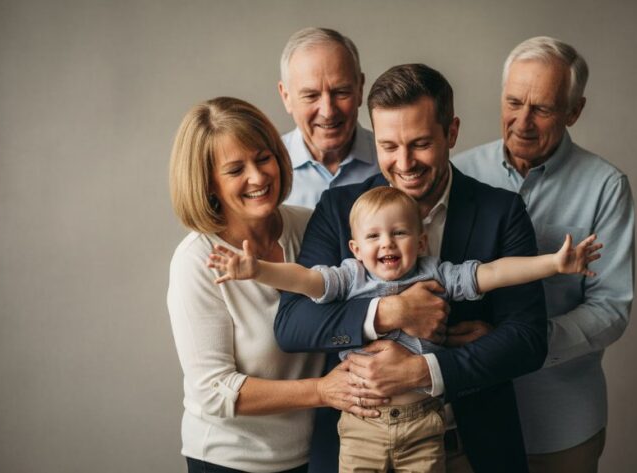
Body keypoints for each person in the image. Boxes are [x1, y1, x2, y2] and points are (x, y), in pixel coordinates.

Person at [208, 186, 601, 472]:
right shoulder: (350, 277)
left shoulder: (437, 273)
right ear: (356, 248)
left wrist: (552, 264)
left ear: (421, 240)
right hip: (362, 424)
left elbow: (493, 272)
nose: (387, 244)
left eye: (399, 233)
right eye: (374, 236)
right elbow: (306, 281)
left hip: (423, 423)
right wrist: (257, 270)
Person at [275, 64, 549, 473]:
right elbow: (293, 324)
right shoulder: (338, 209)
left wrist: (425, 368)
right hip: (358, 448)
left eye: (420, 144)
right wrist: (390, 313)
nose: (404, 164)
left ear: (451, 133)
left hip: (471, 449)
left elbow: (527, 339)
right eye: (389, 146)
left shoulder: (500, 211)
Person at [166, 97, 385, 473]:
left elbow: (364, 298)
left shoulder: (309, 226)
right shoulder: (195, 261)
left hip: (309, 456)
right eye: (236, 170)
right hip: (228, 460)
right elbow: (213, 391)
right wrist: (320, 391)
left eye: (263, 158)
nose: (258, 177)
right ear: (209, 184)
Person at [453, 36, 635, 473]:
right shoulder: (458, 171)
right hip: (467, 416)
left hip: (561, 422)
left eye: (543, 109)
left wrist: (516, 343)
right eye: (514, 102)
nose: (522, 121)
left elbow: (611, 308)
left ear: (574, 111)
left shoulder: (606, 186)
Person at [278, 27, 379, 208]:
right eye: (311, 96)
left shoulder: (393, 163)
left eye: (341, 92)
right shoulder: (267, 173)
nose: (328, 112)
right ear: (286, 97)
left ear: (360, 89)